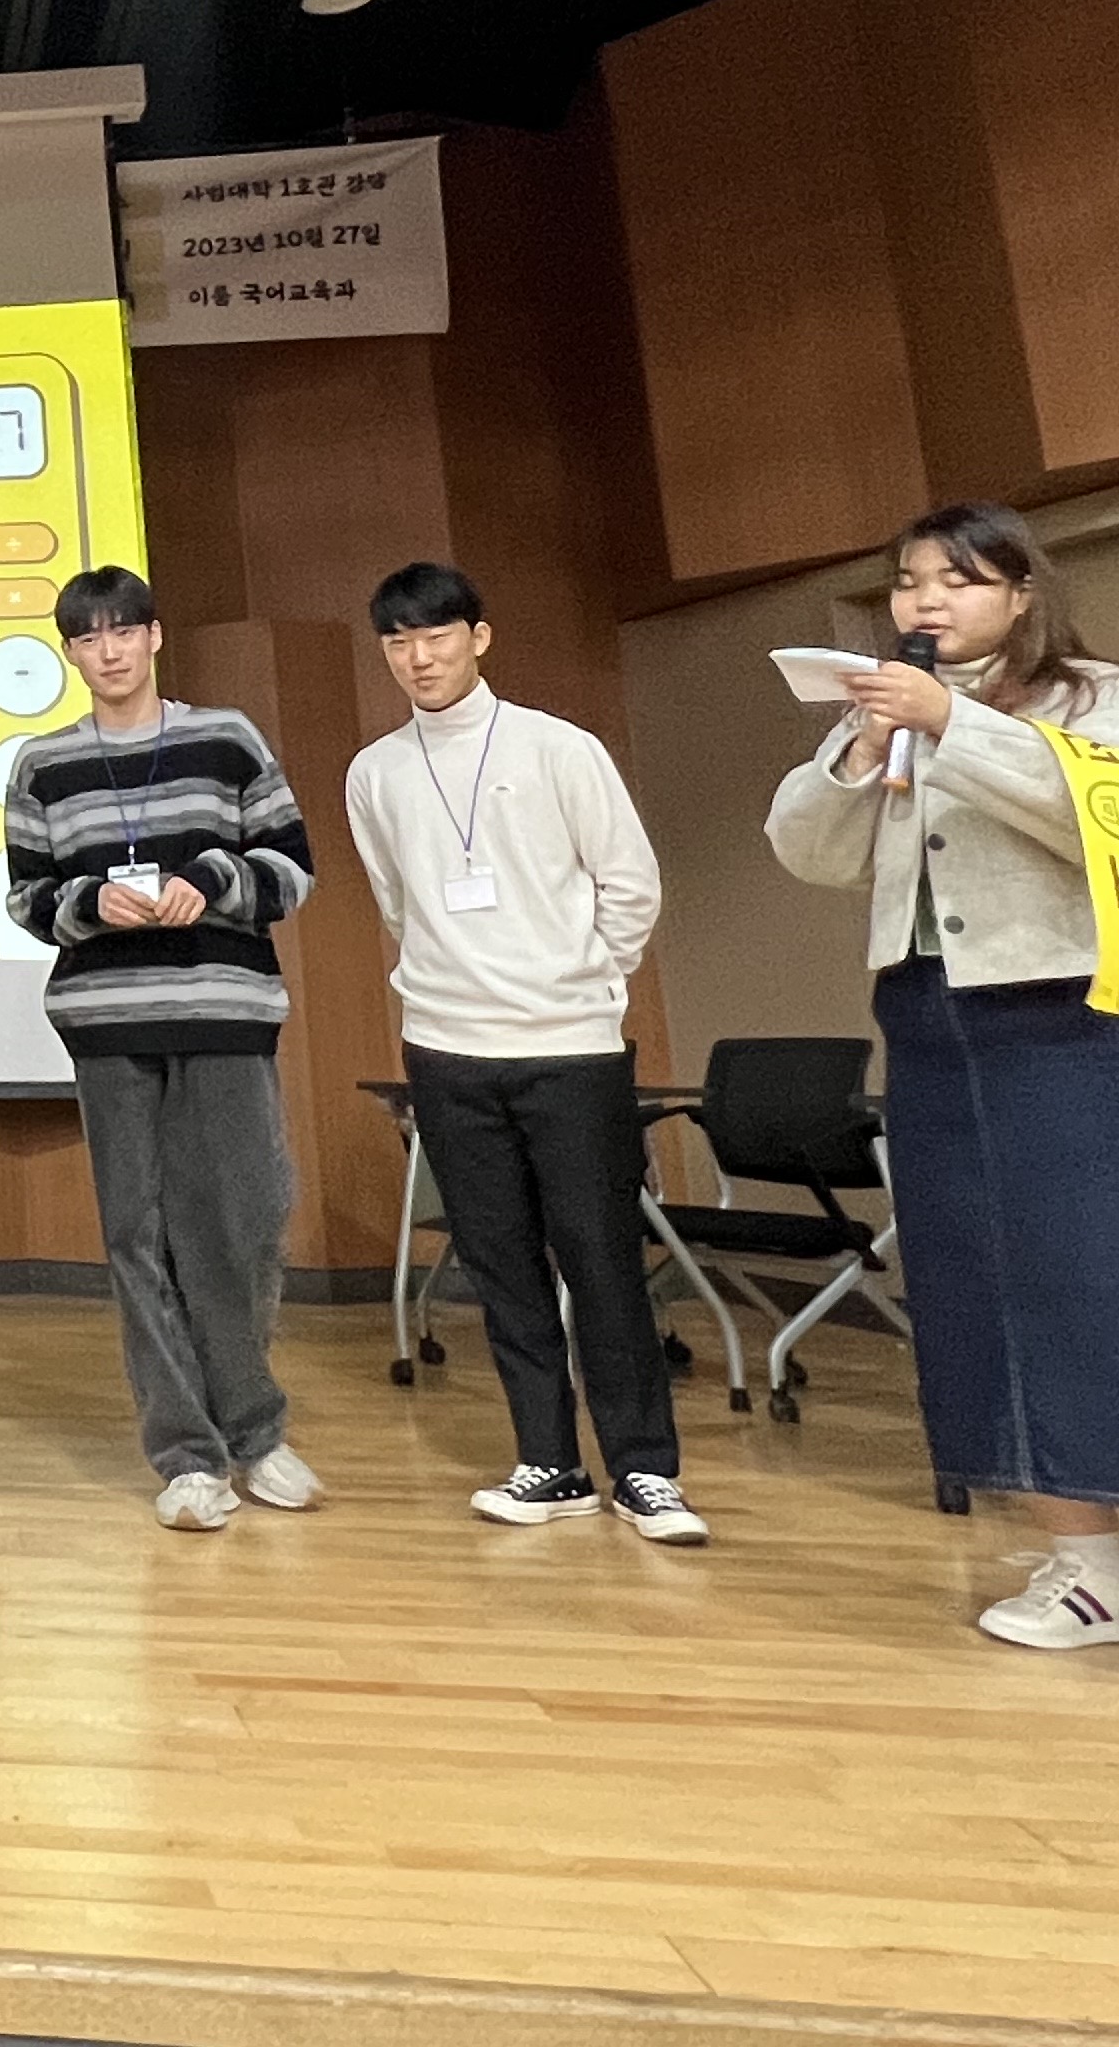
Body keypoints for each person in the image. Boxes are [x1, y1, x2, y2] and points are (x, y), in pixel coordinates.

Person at [768, 501, 1119, 1691]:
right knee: (989, 1287)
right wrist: (857, 753)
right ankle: (1089, 1567)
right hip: (940, 1017)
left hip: (1099, 1012)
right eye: (909, 580)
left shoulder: (1098, 695)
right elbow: (811, 852)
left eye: (957, 579)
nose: (925, 600)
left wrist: (951, 723)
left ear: (1020, 594)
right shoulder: (887, 710)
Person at [341, 563, 700, 1545]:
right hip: (447, 1047)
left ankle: (645, 1468)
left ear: (480, 637)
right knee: (499, 1265)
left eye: (436, 637)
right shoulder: (374, 773)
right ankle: (549, 1460)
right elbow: (397, 902)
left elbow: (630, 883)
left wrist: (581, 981)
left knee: (602, 1259)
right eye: (398, 644)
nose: (419, 659)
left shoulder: (558, 748)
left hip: (570, 1047)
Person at [0, 568, 320, 1533]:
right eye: (87, 638)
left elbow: (292, 866)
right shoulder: (42, 764)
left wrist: (213, 879)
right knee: (136, 1239)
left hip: (224, 1014)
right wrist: (90, 901)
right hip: (109, 1026)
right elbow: (27, 899)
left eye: (122, 631)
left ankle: (254, 1431)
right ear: (70, 654)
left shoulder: (226, 738)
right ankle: (187, 1457)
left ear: (154, 636)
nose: (108, 651)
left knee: (241, 1225)